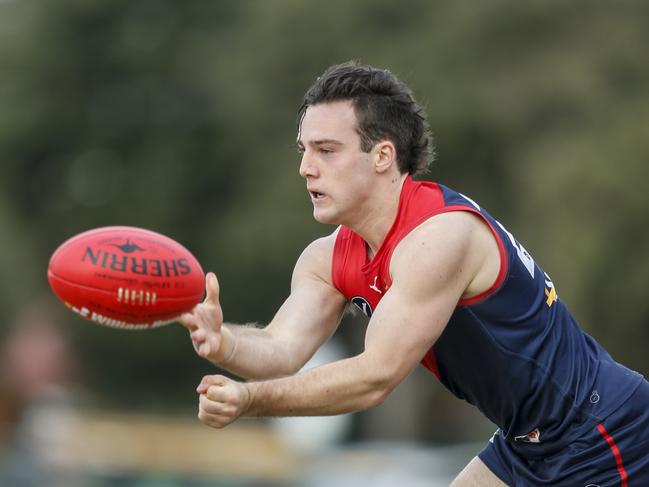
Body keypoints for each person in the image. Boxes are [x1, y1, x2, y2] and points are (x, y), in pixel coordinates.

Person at [179, 61, 649, 486]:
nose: (305, 168)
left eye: (326, 150)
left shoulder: (438, 239)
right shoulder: (326, 259)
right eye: (304, 150)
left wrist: (250, 400)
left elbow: (375, 378)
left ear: (382, 156)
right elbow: (283, 349)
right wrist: (226, 343)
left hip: (603, 429)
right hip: (526, 444)